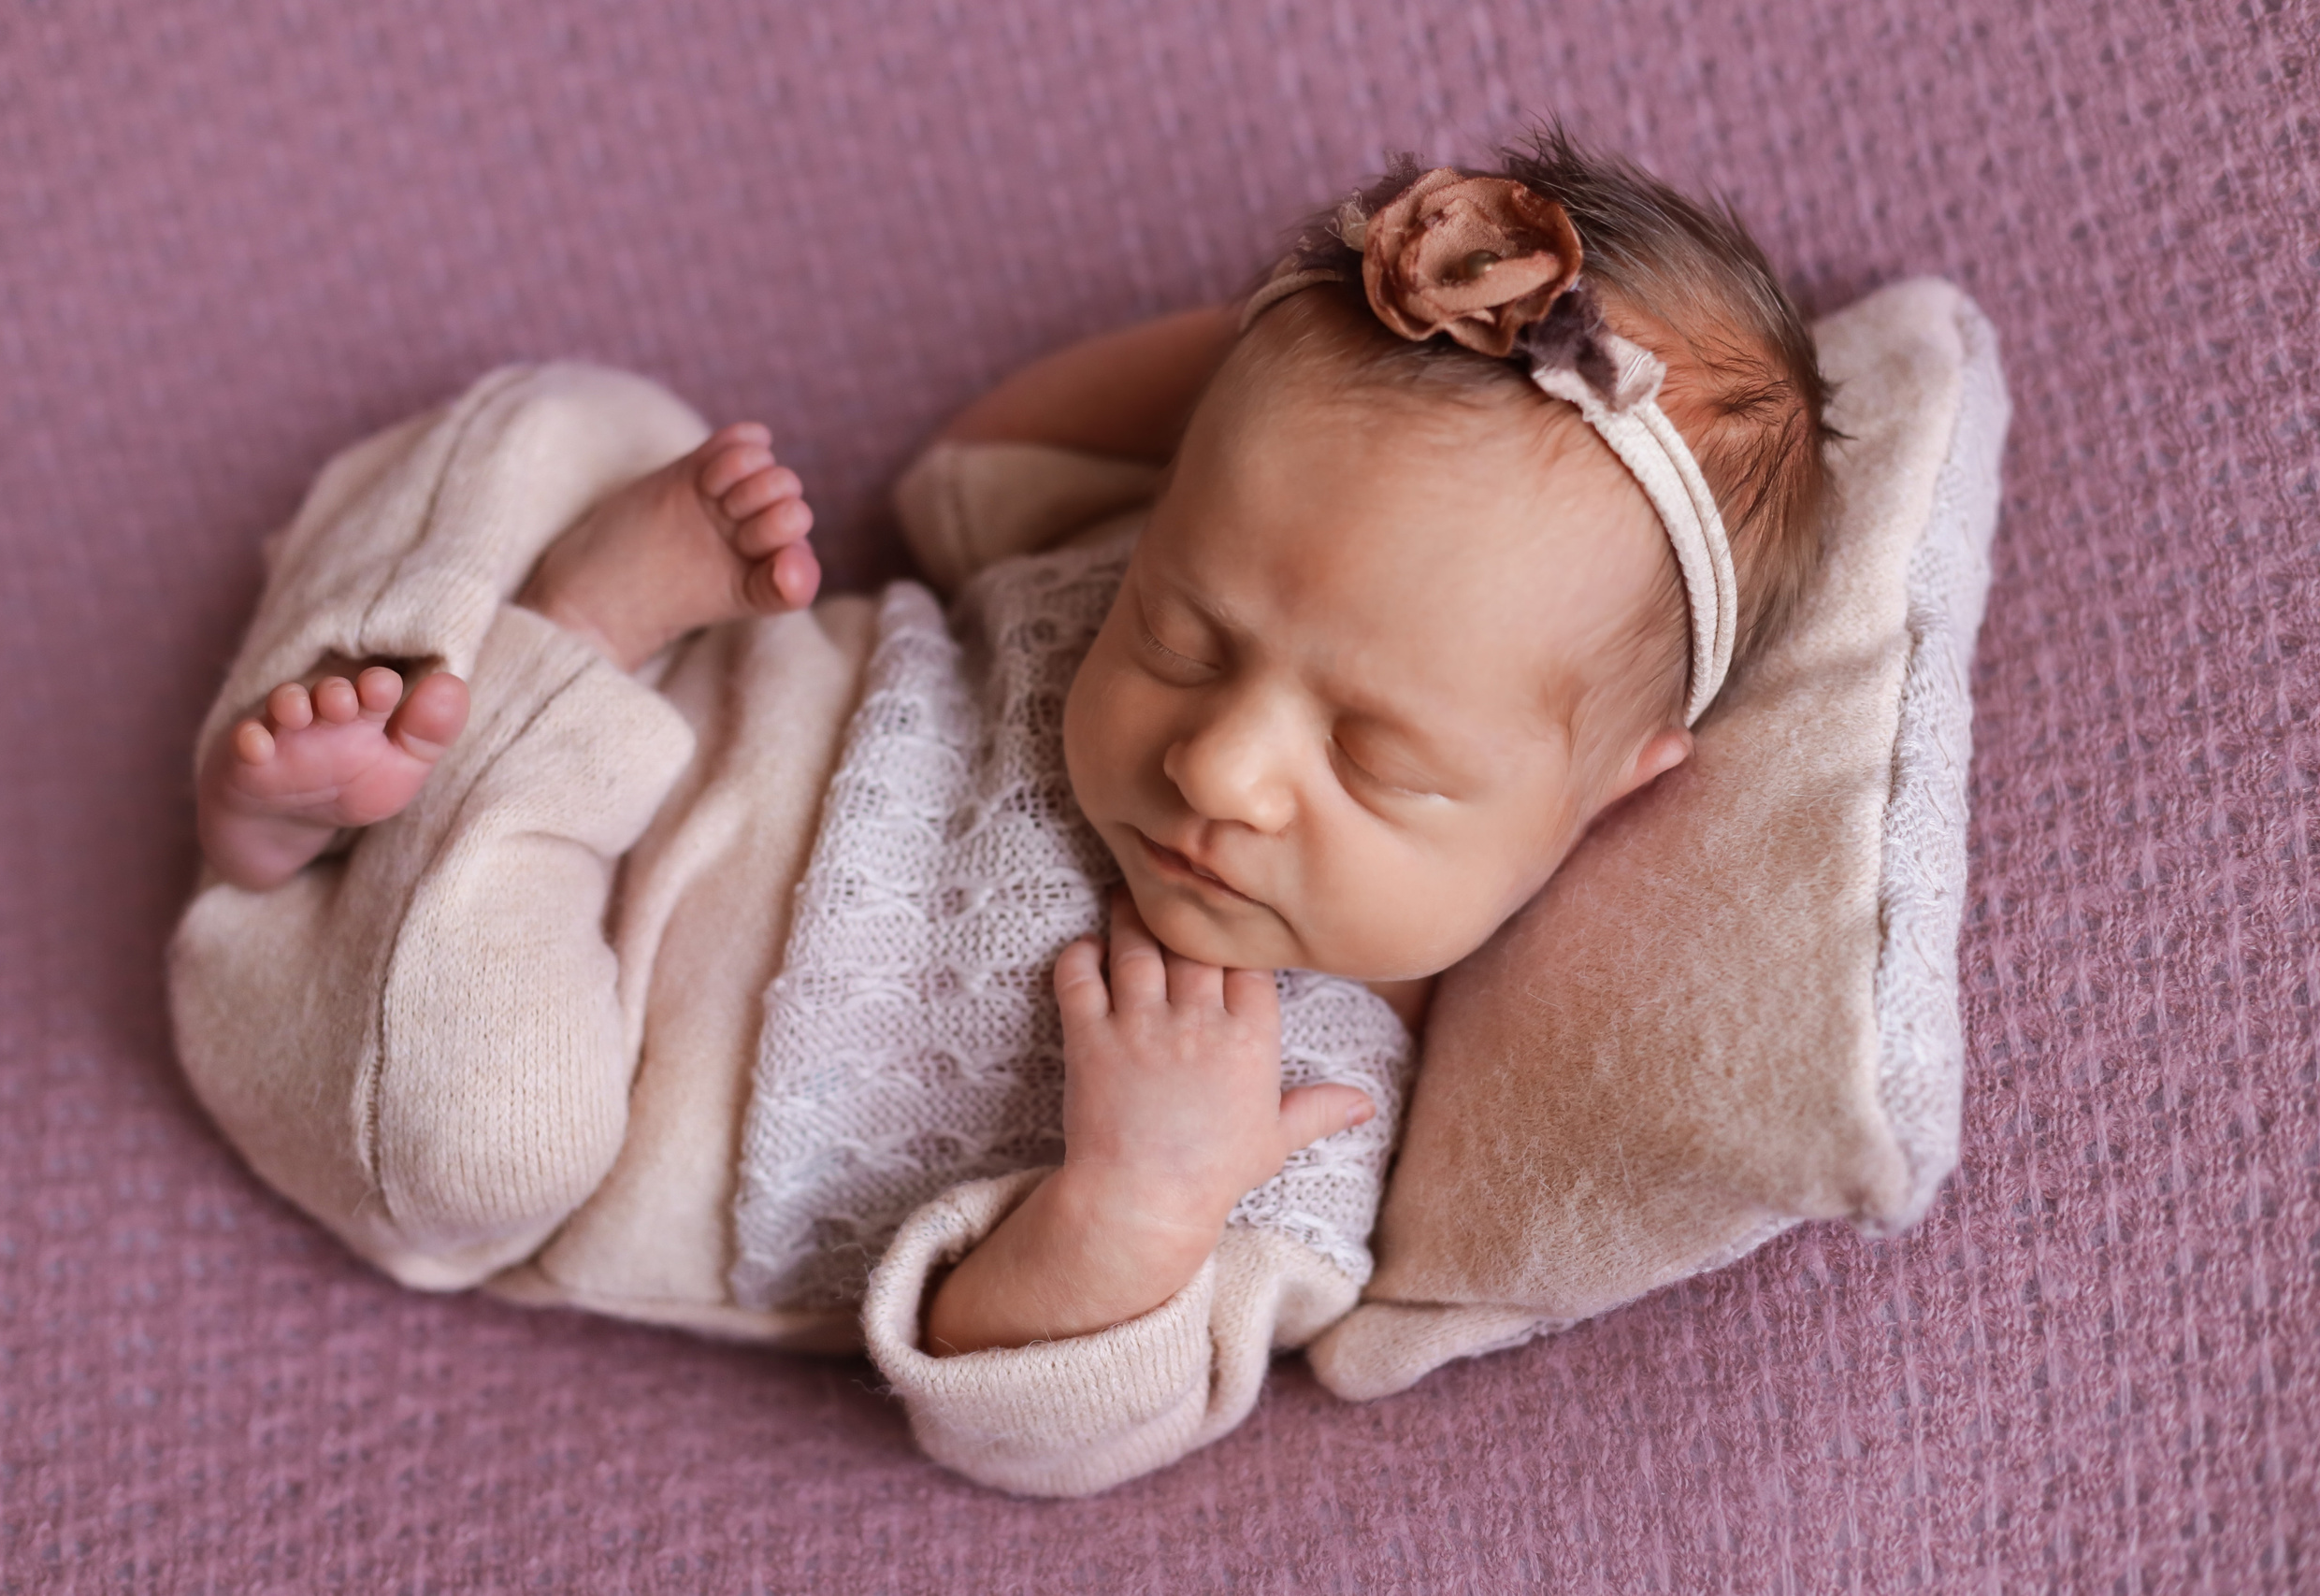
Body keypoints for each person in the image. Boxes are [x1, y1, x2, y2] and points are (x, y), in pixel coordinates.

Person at [171, 130, 1832, 1496]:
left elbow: (1033, 1421)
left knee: (484, 1124)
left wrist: (1131, 1202)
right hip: (690, 712)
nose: (1221, 767)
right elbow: (969, 472)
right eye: (1181, 634)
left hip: (539, 1053)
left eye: (1379, 762)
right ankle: (361, 768)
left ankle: (446, 750)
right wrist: (1319, 343)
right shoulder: (1151, 537)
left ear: (1613, 790)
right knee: (573, 416)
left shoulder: (1305, 1127)